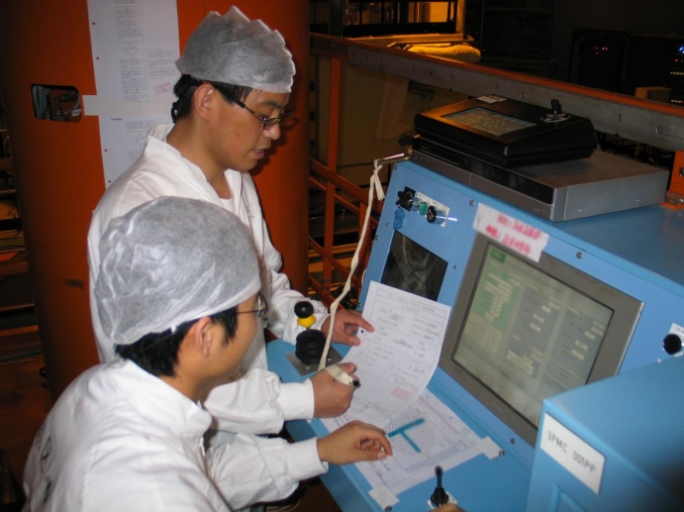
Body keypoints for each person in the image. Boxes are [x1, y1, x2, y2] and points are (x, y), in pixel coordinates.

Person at [87, 7, 372, 436]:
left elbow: (263, 283)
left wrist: (314, 320)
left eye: (281, 117)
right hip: (188, 442)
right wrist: (302, 400)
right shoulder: (138, 212)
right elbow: (170, 373)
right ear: (206, 100)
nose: (275, 133)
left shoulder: (234, 176)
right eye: (265, 115)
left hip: (250, 422)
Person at [24, 197, 390, 511]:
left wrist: (316, 451)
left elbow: (202, 471)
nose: (260, 320)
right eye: (256, 309)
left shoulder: (93, 388)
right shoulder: (156, 497)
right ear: (205, 335)